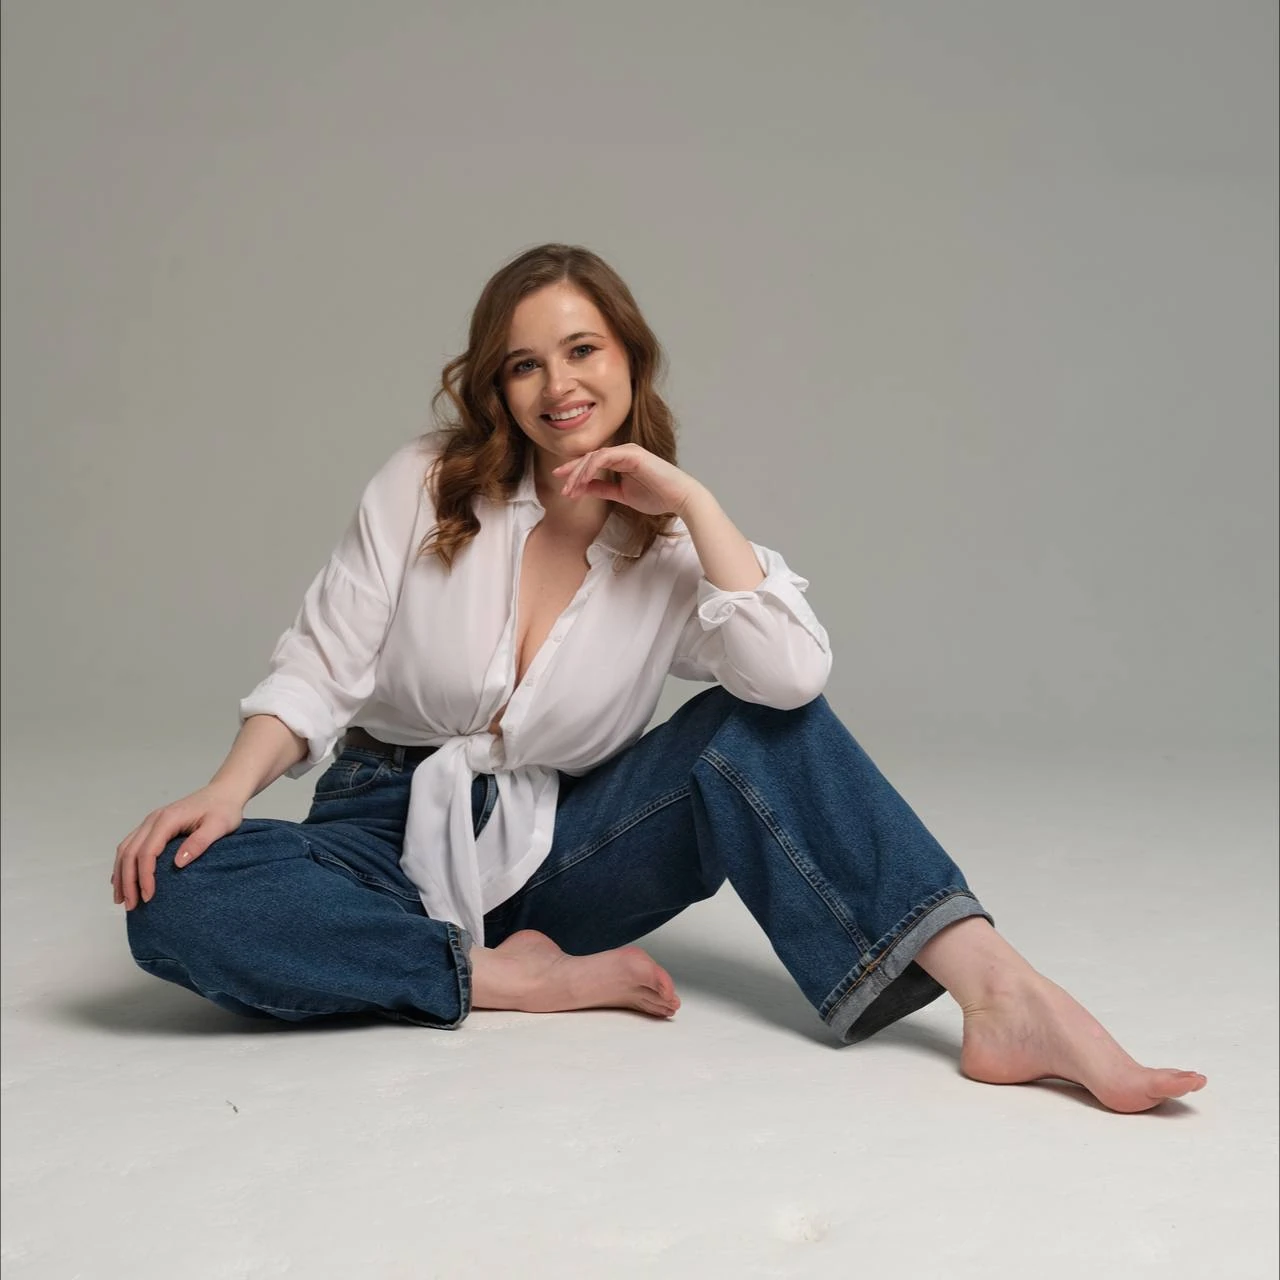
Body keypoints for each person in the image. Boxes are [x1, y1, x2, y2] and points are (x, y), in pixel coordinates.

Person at [112, 242, 1206, 1114]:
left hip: (557, 850)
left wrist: (692, 504)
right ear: (497, 386)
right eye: (525, 363)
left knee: (758, 729)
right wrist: (228, 789)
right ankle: (496, 975)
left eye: (582, 349)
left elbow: (791, 679)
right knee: (178, 893)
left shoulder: (671, 545)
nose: (558, 384)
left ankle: (1003, 996)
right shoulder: (426, 483)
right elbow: (321, 660)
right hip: (379, 832)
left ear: (630, 359)